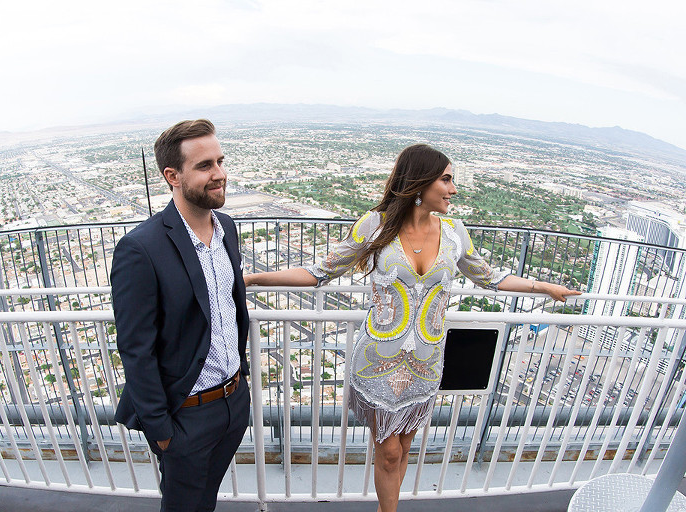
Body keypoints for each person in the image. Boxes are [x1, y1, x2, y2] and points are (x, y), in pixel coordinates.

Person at [243, 144, 580, 512]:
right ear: (420, 183)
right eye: (447, 179)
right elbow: (319, 272)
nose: (454, 189)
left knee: (404, 446)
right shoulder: (376, 225)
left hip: (426, 363)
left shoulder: (454, 233)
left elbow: (492, 279)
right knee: (388, 451)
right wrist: (256, 277)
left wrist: (544, 287)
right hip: (378, 362)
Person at [112, 119, 250, 512]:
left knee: (203, 500)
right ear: (172, 175)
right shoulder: (140, 248)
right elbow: (136, 348)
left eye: (220, 161)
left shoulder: (226, 227)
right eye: (205, 165)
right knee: (183, 505)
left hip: (232, 402)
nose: (220, 174)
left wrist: (239, 393)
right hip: (185, 416)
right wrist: (163, 432)